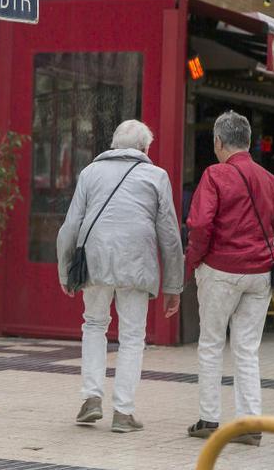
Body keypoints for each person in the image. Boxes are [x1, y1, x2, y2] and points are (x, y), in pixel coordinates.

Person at [57, 120, 183, 434]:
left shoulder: (90, 173)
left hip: (95, 262)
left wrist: (65, 269)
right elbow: (169, 236)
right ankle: (123, 413)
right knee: (131, 337)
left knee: (94, 325)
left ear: (114, 145)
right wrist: (173, 285)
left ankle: (91, 398)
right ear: (144, 149)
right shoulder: (156, 176)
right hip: (137, 265)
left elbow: (71, 225)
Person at [185, 111, 274, 447]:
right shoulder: (269, 179)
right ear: (247, 142)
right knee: (247, 349)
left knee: (212, 344)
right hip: (260, 274)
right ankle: (249, 424)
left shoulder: (215, 175)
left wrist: (193, 262)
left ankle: (209, 419)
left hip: (221, 271)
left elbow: (200, 225)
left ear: (218, 142)